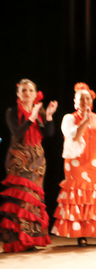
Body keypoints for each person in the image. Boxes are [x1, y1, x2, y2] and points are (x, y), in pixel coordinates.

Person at [52, 82, 96, 246]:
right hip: (77, 164)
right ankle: (81, 234)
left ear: (92, 101)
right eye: (81, 99)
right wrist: (84, 120)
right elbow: (75, 137)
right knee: (80, 197)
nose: (85, 102)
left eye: (87, 98)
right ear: (75, 102)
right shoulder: (69, 118)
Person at [1, 79, 58, 252]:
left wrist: (48, 115)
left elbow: (48, 133)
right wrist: (31, 117)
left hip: (37, 160)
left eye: (30, 90)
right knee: (20, 199)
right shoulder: (11, 112)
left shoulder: (38, 110)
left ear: (35, 93)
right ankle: (17, 241)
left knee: (33, 200)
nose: (27, 93)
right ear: (18, 94)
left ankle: (31, 240)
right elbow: (17, 134)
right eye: (24, 90)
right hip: (18, 160)